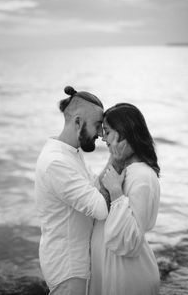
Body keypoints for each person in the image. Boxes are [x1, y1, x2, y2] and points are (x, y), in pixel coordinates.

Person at [35, 86, 119, 295]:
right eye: (98, 126)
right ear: (78, 122)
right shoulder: (57, 163)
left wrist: (115, 159)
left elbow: (97, 186)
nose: (101, 134)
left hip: (76, 263)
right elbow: (100, 208)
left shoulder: (70, 153)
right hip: (68, 268)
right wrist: (116, 160)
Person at [89, 103, 161, 295]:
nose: (103, 138)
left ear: (124, 132)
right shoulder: (121, 169)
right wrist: (114, 160)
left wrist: (116, 192)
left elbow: (130, 241)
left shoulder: (142, 177)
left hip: (128, 278)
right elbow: (93, 201)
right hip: (109, 271)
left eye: (108, 132)